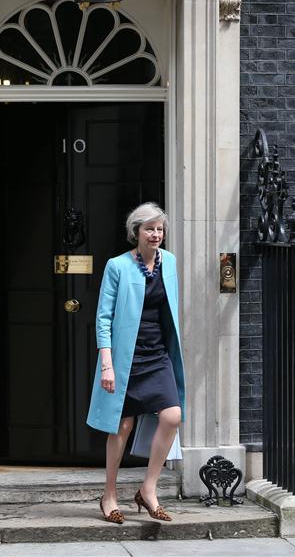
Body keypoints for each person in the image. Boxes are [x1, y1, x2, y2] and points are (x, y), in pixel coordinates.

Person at [86, 202, 186, 524]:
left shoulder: (168, 263)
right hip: (126, 357)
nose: (156, 234)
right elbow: (103, 318)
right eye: (149, 229)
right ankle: (109, 495)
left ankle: (148, 489)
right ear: (136, 232)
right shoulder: (117, 266)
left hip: (157, 354)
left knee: (172, 416)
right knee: (122, 425)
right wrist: (107, 364)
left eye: (160, 229)